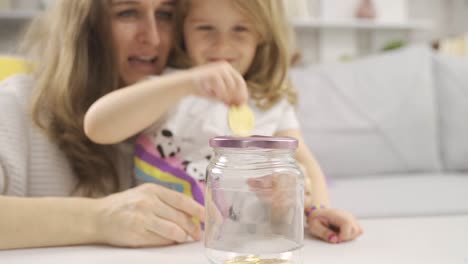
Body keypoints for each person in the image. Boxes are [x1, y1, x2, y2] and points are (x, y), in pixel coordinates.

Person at [84, 0, 363, 244]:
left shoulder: (271, 102)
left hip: (247, 244)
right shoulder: (169, 88)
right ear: (184, 31)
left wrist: (317, 211)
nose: (222, 45)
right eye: (205, 28)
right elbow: (98, 126)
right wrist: (186, 82)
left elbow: (304, 164)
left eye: (240, 29)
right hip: (161, 240)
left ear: (262, 34)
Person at [0, 0, 206, 250]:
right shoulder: (15, 105)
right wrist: (100, 218)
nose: (153, 38)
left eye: (165, 14)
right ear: (82, 29)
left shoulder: (193, 119)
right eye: (127, 13)